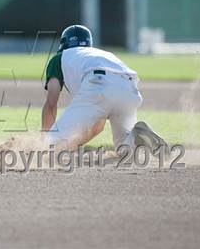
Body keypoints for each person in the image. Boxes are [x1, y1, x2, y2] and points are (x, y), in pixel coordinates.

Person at [42, 25, 167, 153]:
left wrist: (45, 140)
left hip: (98, 85)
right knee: (126, 149)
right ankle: (137, 136)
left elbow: (51, 102)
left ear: (63, 43)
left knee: (51, 145)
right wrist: (71, 146)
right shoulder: (99, 54)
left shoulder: (60, 58)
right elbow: (98, 125)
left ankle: (50, 145)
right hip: (129, 90)